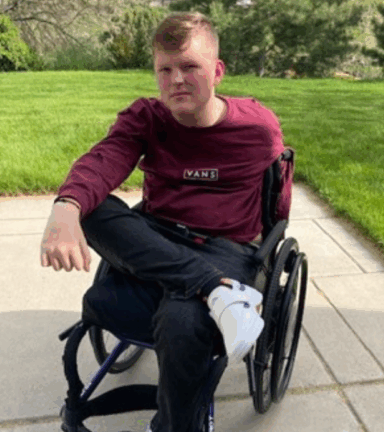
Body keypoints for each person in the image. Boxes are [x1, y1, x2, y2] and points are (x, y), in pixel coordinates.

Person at [40, 12, 287, 432]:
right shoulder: (147, 118)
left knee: (184, 321)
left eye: (190, 66)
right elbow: (105, 158)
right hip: (157, 236)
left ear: (217, 71)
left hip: (225, 246)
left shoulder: (257, 128)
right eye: (165, 69)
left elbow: (278, 198)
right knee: (92, 207)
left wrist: (272, 248)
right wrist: (66, 206)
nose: (177, 80)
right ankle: (215, 290)